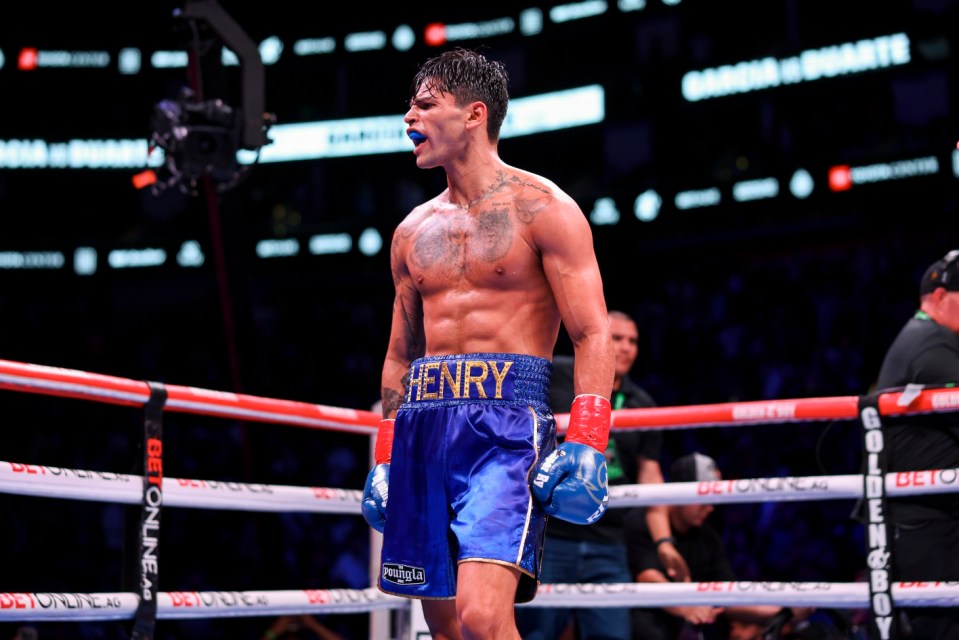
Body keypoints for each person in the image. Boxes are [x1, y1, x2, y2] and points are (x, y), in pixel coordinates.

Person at [360, 47, 615, 640]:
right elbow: (401, 354)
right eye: (410, 107)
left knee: (481, 616)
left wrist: (589, 439)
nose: (409, 119)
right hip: (422, 424)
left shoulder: (545, 210)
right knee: (444, 625)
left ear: (475, 114)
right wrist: (384, 453)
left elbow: (591, 330)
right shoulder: (411, 231)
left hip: (504, 427)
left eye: (425, 105)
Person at [517, 310, 688, 640]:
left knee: (612, 635)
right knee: (536, 632)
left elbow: (650, 474)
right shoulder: (558, 375)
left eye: (632, 341)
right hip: (552, 537)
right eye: (616, 338)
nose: (625, 348)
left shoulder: (642, 404)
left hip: (609, 541)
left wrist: (664, 542)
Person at [625, 452, 813, 640]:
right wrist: (686, 607)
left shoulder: (707, 536)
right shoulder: (643, 521)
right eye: (704, 497)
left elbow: (728, 599)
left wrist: (782, 612)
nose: (711, 506)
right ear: (680, 491)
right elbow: (648, 578)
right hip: (641, 626)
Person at [874, 249, 959, 639]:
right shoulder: (932, 344)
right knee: (940, 625)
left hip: (929, 513)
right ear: (940, 297)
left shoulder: (925, 336)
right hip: (926, 518)